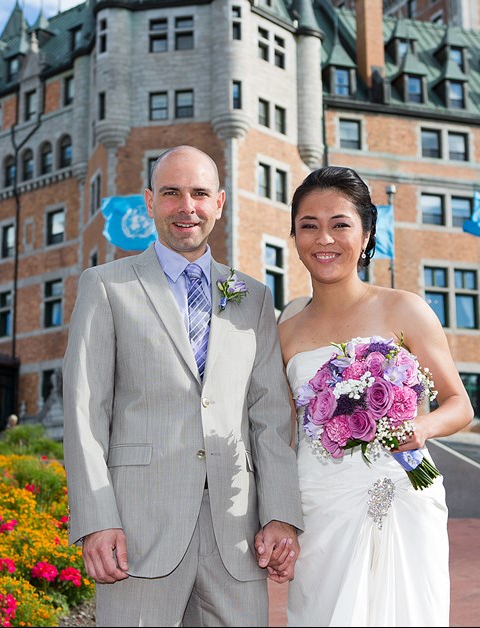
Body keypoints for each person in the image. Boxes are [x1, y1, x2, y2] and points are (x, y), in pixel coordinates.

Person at [63, 145, 304, 626]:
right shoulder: (106, 286)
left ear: (219, 203)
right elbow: (84, 412)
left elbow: (270, 417)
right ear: (149, 202)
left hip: (236, 533)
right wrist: (96, 519)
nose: (186, 207)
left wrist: (280, 515)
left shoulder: (253, 297)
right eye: (172, 193)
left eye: (198, 193)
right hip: (136, 531)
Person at [278, 166, 474, 627]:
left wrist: (419, 428)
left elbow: (459, 403)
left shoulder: (404, 308)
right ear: (295, 237)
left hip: (406, 488)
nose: (324, 238)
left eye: (340, 224)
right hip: (321, 505)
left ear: (366, 235)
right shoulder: (283, 331)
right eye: (309, 226)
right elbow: (282, 437)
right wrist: (278, 516)